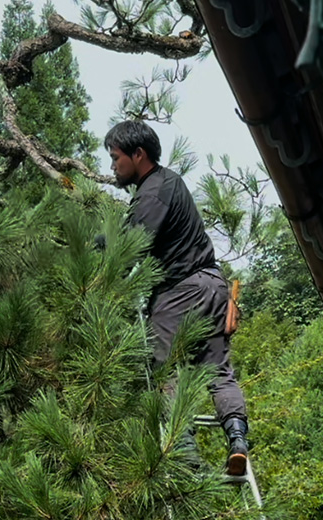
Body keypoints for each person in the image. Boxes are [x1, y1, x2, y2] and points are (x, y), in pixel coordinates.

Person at [104, 120, 250, 476]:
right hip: (214, 286)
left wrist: (98, 272)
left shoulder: (153, 191)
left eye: (115, 157)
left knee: (163, 371)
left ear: (138, 155)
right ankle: (238, 440)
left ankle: (184, 454)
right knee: (219, 372)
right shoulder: (171, 183)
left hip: (180, 292)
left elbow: (131, 245)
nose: (112, 166)